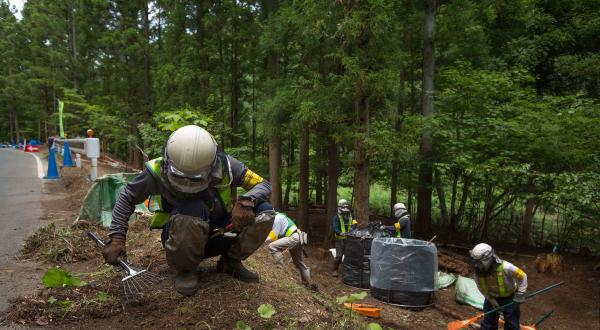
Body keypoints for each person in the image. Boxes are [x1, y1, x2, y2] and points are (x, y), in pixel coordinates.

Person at [102, 125, 275, 296]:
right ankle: (186, 270)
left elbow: (264, 184)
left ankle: (231, 261)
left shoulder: (227, 166)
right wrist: (117, 237)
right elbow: (128, 197)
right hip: (180, 239)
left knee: (265, 212)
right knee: (193, 207)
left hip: (222, 232)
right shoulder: (155, 171)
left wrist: (246, 202)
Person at [469, 243, 528, 330]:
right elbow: (480, 287)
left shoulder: (506, 267)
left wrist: (520, 294)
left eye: (479, 262)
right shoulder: (478, 272)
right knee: (488, 324)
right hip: (491, 298)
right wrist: (490, 299)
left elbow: (522, 276)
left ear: (487, 259)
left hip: (510, 298)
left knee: (512, 325)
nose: (476, 265)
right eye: (475, 262)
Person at [265, 212, 316, 290]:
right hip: (298, 238)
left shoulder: (277, 218)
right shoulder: (281, 217)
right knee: (299, 263)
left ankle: (279, 269)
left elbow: (274, 236)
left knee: (272, 246)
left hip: (294, 238)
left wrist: (263, 240)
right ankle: (308, 284)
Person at [330, 199, 357, 277]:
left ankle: (347, 270)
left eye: (346, 206)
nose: (345, 209)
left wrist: (353, 228)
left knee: (349, 255)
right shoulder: (336, 216)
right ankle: (335, 270)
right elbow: (335, 227)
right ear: (339, 207)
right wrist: (340, 232)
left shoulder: (351, 215)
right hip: (339, 239)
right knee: (339, 255)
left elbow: (355, 223)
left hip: (349, 239)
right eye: (343, 207)